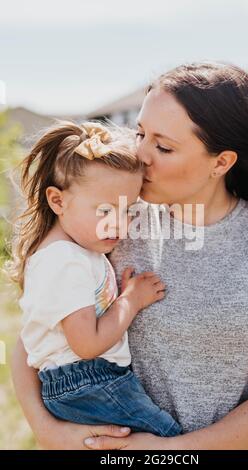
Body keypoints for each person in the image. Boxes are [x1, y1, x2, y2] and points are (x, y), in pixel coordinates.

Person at [11, 62, 248, 450]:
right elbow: (35, 336)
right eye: (140, 133)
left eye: (163, 146)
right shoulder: (109, 223)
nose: (140, 154)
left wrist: (165, 453)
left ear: (221, 162)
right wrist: (47, 430)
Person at [9, 120, 182, 438]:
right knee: (170, 439)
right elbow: (87, 344)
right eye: (105, 211)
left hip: (83, 381)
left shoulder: (76, 250)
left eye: (128, 210)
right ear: (57, 200)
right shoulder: (64, 260)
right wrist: (131, 300)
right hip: (86, 380)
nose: (120, 224)